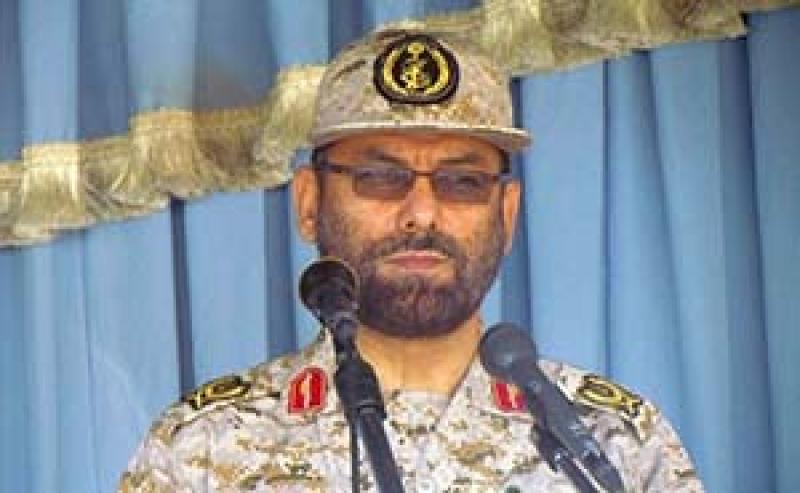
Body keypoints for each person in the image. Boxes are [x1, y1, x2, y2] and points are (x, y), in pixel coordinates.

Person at [119, 29, 703, 492]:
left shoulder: (615, 445)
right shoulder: (202, 449)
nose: (421, 213)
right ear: (309, 204)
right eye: (379, 176)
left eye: (462, 181)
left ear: (507, 214)